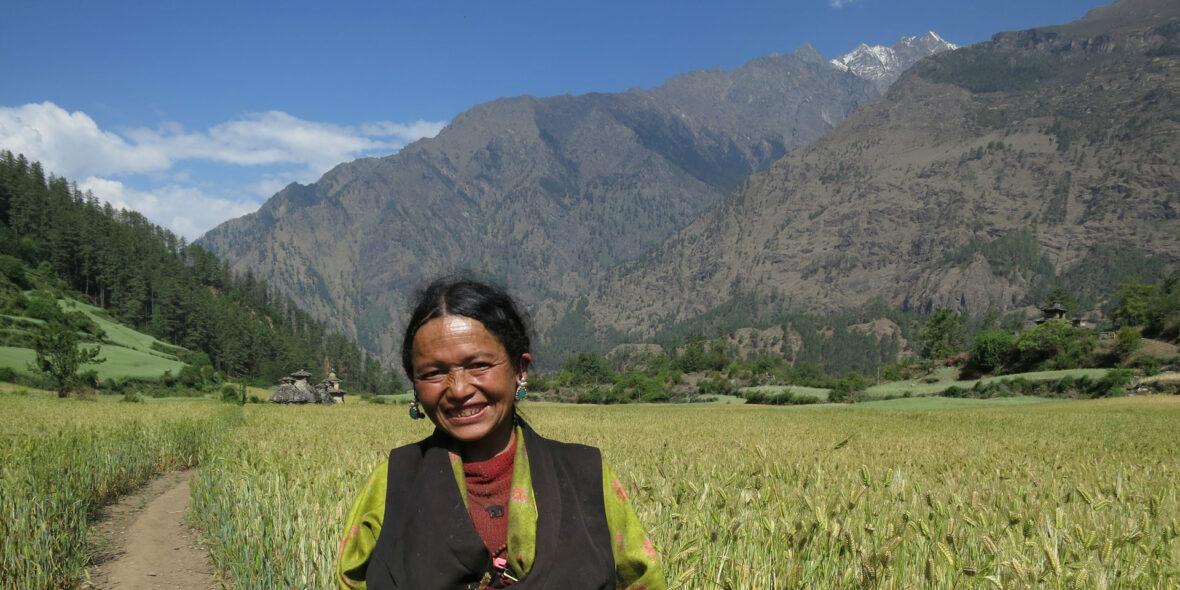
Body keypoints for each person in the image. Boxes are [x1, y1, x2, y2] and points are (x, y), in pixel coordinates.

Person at [335, 277, 665, 589]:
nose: (459, 389)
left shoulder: (585, 476)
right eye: (433, 373)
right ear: (415, 385)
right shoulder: (393, 483)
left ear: (520, 369)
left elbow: (642, 579)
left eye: (479, 365)